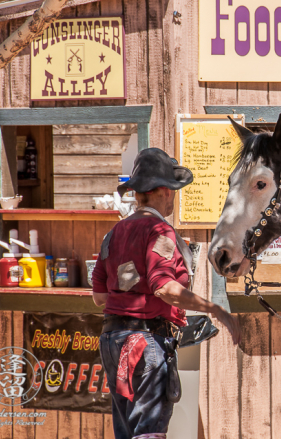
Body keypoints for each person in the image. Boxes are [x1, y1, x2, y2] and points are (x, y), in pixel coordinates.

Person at [92, 148, 241, 439]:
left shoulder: (114, 232)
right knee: (149, 433)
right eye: (172, 190)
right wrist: (215, 309)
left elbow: (99, 297)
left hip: (113, 341)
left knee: (128, 432)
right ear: (163, 191)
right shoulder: (159, 231)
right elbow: (164, 287)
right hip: (145, 342)